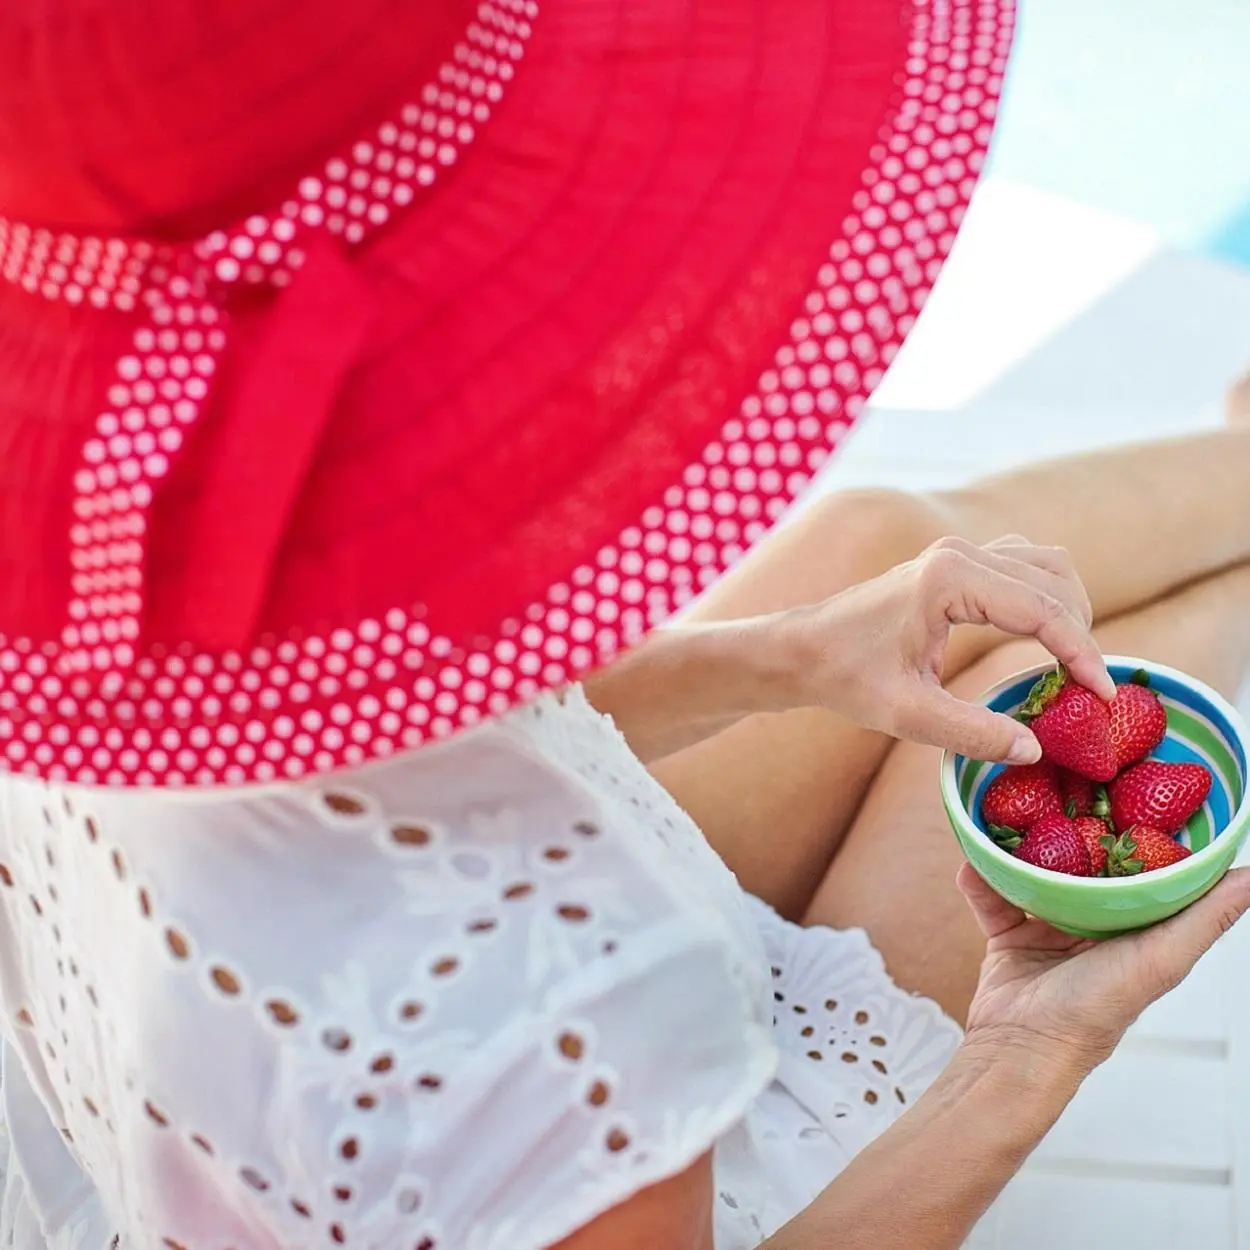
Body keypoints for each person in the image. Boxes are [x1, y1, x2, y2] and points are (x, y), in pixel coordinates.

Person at [0, 1, 1247, 1248]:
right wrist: (1029, 1049)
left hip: (428, 1028)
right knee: (1034, 671)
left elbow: (394, 729)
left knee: (882, 541)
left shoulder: (80, 574)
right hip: (687, 1165)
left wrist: (788, 654)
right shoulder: (563, 1011)